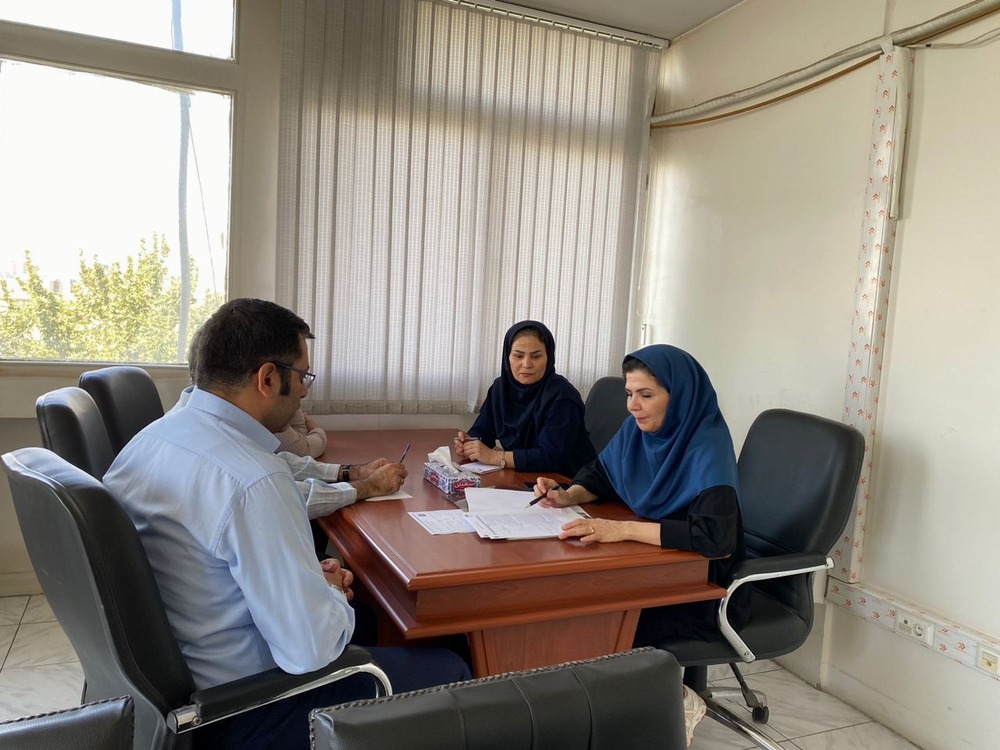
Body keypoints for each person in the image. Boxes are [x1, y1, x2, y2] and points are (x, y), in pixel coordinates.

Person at [104, 299, 470, 750]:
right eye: (302, 377)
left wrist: (306, 580)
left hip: (177, 694)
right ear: (267, 378)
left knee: (369, 617)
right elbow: (308, 650)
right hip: (250, 710)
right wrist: (328, 592)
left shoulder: (149, 440)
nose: (304, 393)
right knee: (452, 665)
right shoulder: (253, 480)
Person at [533, 344, 749, 644]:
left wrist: (623, 529)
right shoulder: (638, 430)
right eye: (629, 394)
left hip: (701, 591)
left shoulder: (708, 450)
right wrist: (569, 496)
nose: (632, 406)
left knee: (586, 622)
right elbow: (602, 475)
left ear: (680, 397)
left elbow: (715, 539)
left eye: (646, 395)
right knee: (561, 602)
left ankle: (661, 683)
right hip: (650, 570)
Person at [454, 320, 596, 477]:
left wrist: (495, 457)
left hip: (568, 481)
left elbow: (550, 457)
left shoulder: (563, 396)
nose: (527, 364)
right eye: (518, 356)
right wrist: (470, 443)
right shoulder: (500, 388)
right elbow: (483, 429)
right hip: (524, 476)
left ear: (548, 357)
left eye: (536, 356)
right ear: (507, 356)